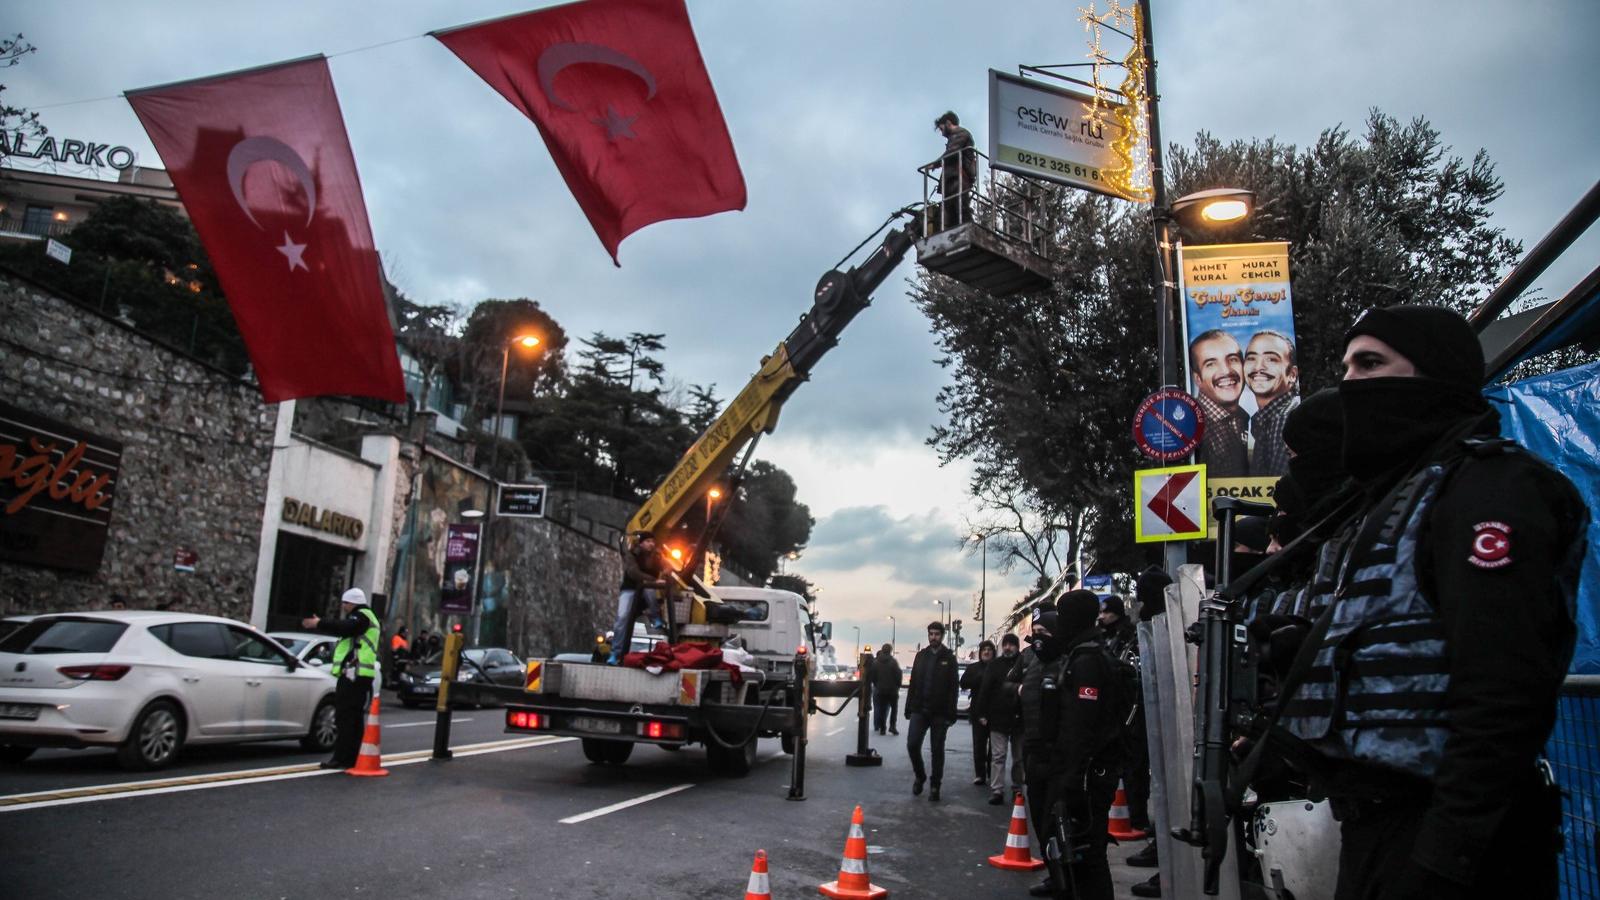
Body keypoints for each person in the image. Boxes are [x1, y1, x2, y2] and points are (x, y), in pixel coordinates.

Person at [1273, 305, 1587, 900]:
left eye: (1371, 363)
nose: (1350, 385)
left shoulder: (1489, 489)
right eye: (1346, 366)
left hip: (1455, 838)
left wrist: (1446, 855)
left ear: (1434, 376)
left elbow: (1503, 692)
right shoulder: (1393, 501)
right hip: (1381, 826)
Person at [1034, 590, 1124, 900]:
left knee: (1086, 853)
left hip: (1084, 774)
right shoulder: (1081, 653)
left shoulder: (1088, 661)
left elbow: (1082, 727)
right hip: (1078, 769)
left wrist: (1070, 779)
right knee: (1071, 849)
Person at [302, 587, 382, 770]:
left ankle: (343, 758)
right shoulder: (366, 617)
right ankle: (352, 757)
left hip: (355, 674)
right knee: (352, 718)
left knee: (345, 717)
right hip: (358, 674)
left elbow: (345, 627)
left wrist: (319, 623)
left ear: (352, 602)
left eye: (345, 603)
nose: (344, 607)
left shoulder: (362, 616)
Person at [1011, 609, 1060, 872]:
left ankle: (1061, 875)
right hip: (1032, 744)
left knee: (1055, 818)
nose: (1039, 639)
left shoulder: (1064, 662)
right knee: (1039, 814)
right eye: (1036, 633)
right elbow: (1011, 684)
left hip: (1054, 750)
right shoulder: (1031, 660)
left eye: (1045, 633)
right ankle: (1053, 873)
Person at [905, 620, 959, 801]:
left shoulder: (948, 658)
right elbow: (913, 682)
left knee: (937, 749)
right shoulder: (921, 656)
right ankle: (920, 776)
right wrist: (908, 707)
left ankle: (935, 785)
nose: (933, 637)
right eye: (931, 634)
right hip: (919, 708)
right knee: (912, 744)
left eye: (936, 634)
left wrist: (952, 713)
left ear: (942, 636)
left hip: (940, 712)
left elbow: (953, 687)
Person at [1190, 329, 1251, 477]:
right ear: (1198, 379)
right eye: (1211, 364)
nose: (1226, 371)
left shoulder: (1242, 418)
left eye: (1233, 359)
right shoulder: (1195, 426)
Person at [974, 632, 1024, 805]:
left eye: (1011, 644)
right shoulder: (995, 665)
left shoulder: (1024, 663)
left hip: (1020, 718)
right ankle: (997, 790)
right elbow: (985, 690)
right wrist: (982, 713)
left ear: (1017, 647)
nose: (1008, 647)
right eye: (1006, 644)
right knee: (998, 756)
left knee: (1019, 758)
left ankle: (1017, 787)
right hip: (998, 716)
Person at [1245, 330, 1300, 477]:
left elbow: (1279, 488)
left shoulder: (1283, 419)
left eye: (1271, 359)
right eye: (1251, 358)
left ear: (1292, 375)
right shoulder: (1267, 420)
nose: (1258, 367)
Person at [608, 531, 667, 665]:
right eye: (648, 541)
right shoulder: (632, 554)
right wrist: (653, 580)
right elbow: (633, 572)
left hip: (646, 590)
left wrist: (667, 574)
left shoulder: (657, 557)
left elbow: (667, 568)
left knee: (649, 588)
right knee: (622, 618)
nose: (651, 544)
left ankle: (655, 616)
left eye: (653, 541)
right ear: (641, 543)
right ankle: (615, 652)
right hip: (630, 589)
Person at [931, 111, 977, 232]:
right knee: (951, 212)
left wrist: (935, 164)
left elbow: (952, 152)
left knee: (961, 207)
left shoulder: (961, 134)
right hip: (952, 179)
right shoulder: (955, 137)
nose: (942, 134)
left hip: (959, 178)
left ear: (948, 123)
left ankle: (969, 230)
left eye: (941, 129)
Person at [960, 640, 995, 786]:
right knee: (979, 745)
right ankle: (980, 774)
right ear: (980, 652)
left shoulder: (998, 666)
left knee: (995, 748)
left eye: (989, 649)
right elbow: (963, 683)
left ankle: (992, 773)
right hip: (977, 711)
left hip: (995, 712)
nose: (986, 652)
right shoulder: (974, 668)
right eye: (984, 649)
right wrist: (978, 679)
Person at [871, 644, 902, 735]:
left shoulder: (876, 662)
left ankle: (882, 728)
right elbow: (898, 675)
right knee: (894, 709)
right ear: (890, 651)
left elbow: (873, 676)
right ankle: (892, 726)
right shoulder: (893, 662)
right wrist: (897, 686)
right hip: (892, 690)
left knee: (881, 709)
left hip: (880, 689)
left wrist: (877, 685)